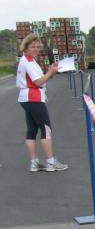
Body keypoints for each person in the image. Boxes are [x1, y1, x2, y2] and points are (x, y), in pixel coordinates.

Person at [16, 34, 69, 172]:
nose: (36, 49)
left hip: (27, 97)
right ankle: (51, 162)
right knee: (46, 129)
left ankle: (34, 162)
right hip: (33, 97)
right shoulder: (28, 62)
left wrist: (50, 73)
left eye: (37, 46)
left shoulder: (27, 60)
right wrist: (50, 72)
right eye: (32, 46)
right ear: (25, 48)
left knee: (32, 130)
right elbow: (38, 81)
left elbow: (39, 79)